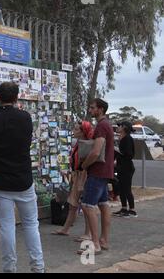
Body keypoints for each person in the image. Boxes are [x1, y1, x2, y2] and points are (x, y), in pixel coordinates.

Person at [0, 82, 45, 273]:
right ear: (17, 97)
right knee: (30, 225)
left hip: (0, 181)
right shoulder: (25, 118)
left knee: (7, 226)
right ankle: (38, 266)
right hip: (23, 180)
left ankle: (9, 268)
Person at [79, 99, 115, 255]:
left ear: (100, 109)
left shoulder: (101, 126)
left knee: (88, 205)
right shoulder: (106, 125)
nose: (90, 110)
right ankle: (104, 240)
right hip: (105, 171)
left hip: (98, 171)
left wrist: (84, 165)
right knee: (103, 204)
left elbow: (95, 151)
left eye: (93, 108)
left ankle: (95, 244)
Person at [52, 121, 93, 241]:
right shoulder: (78, 144)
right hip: (77, 175)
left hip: (83, 175)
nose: (73, 132)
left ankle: (88, 233)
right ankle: (65, 229)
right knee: (73, 204)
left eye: (76, 130)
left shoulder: (87, 144)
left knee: (85, 206)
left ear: (82, 132)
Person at [113, 121, 137, 217]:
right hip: (121, 167)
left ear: (125, 128)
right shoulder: (121, 138)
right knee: (121, 188)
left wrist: (117, 150)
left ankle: (132, 210)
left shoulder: (127, 139)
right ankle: (123, 208)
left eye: (120, 126)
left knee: (127, 189)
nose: (118, 127)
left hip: (127, 168)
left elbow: (129, 154)